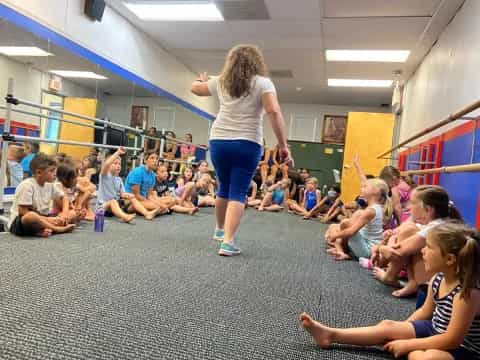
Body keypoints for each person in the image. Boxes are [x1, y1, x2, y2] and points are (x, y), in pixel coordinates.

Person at [300, 223, 480, 360]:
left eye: (429, 247)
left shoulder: (467, 293)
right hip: (435, 330)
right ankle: (331, 334)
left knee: (430, 357)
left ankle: (413, 352)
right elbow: (425, 312)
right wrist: (401, 329)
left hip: (463, 348)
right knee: (388, 326)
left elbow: (452, 340)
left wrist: (410, 344)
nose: (422, 251)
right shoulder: (438, 278)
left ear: (449, 259)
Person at [191, 44, 291, 256]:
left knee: (223, 186)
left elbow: (195, 89)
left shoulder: (221, 81)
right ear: (256, 63)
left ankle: (219, 231)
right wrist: (283, 145)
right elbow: (273, 111)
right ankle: (228, 242)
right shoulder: (263, 83)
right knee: (238, 191)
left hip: (219, 141)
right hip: (247, 142)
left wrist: (200, 80)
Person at [372, 185, 463, 297]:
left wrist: (380, 247)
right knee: (407, 232)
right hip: (442, 276)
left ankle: (390, 277)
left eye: (412, 203)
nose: (409, 207)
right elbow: (400, 233)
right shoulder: (439, 222)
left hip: (440, 281)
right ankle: (411, 282)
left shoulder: (435, 228)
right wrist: (391, 238)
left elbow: (395, 254)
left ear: (428, 209)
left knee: (408, 232)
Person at [8, 153, 75, 237]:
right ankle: (57, 229)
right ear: (39, 172)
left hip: (44, 217)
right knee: (31, 216)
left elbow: (64, 197)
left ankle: (43, 229)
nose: (55, 174)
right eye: (51, 171)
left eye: (55, 171)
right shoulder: (27, 185)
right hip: (20, 222)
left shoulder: (50, 184)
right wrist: (49, 219)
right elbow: (23, 212)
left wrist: (64, 214)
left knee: (72, 213)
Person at [324, 178, 392, 261]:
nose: (362, 189)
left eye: (365, 187)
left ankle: (340, 251)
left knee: (345, 224)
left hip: (367, 251)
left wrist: (335, 236)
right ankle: (340, 248)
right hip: (366, 244)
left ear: (375, 191)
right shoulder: (376, 208)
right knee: (336, 227)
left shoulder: (371, 211)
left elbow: (351, 231)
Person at [97, 147, 141, 223]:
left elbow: (122, 194)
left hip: (116, 205)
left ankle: (146, 213)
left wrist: (128, 195)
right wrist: (118, 152)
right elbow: (107, 163)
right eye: (115, 163)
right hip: (103, 207)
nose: (118, 166)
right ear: (109, 165)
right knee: (113, 201)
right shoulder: (104, 176)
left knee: (132, 198)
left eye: (119, 164)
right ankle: (125, 216)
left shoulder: (119, 179)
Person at [124, 151, 166, 218]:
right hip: (131, 201)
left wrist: (159, 203)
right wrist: (156, 204)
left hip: (144, 199)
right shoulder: (137, 172)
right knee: (159, 206)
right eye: (152, 158)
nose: (155, 161)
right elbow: (136, 195)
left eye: (156, 158)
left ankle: (154, 210)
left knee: (172, 200)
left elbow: (149, 195)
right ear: (145, 160)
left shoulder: (153, 175)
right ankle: (135, 209)